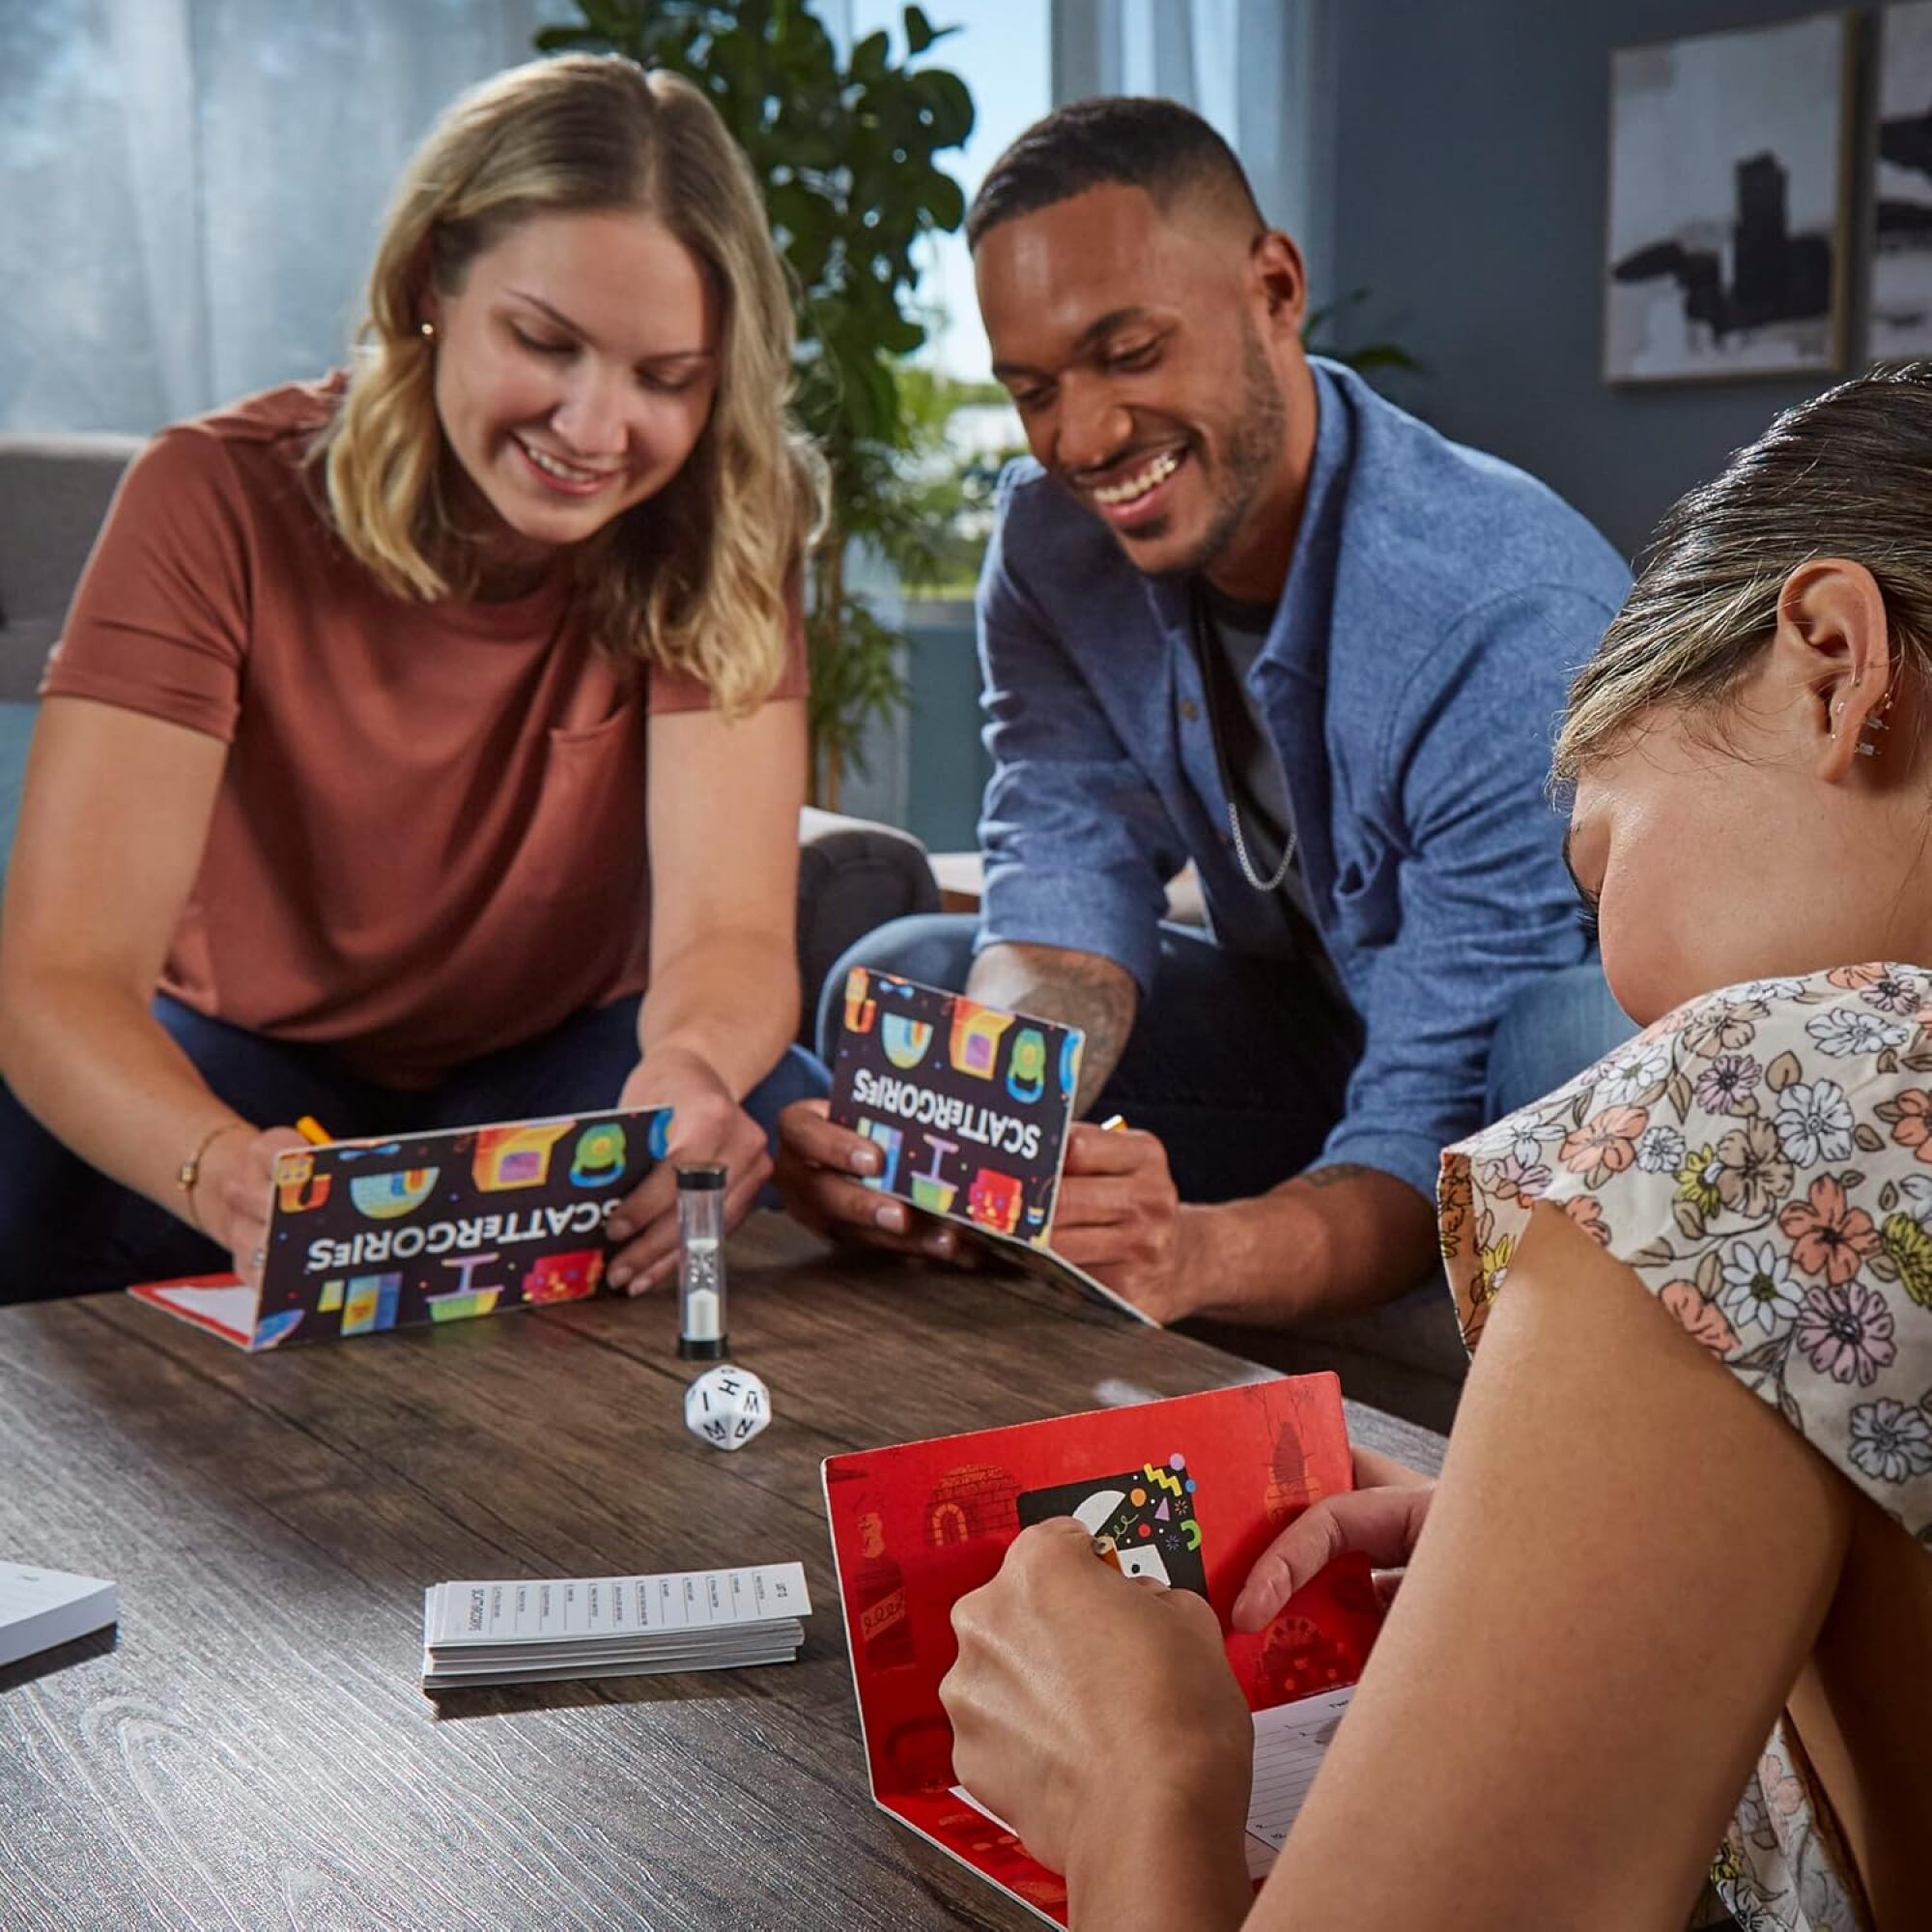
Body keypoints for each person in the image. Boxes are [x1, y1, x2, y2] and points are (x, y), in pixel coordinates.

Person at [937, 365, 1932, 1930]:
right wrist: (1584, 1534)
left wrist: (1140, 1781)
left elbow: (1448, 1093)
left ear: (1832, 666)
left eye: (1599, 866)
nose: (1615, 971)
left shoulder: (1759, 1109)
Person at [776, 98, 1633, 1327]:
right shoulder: (1047, 545)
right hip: (1304, 1027)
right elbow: (1064, 868)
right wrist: (978, 1132)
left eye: (1127, 354)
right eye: (1031, 389)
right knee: (903, 976)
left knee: (1559, 1032)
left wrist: (1194, 1256)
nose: (1080, 438)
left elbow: (1438, 1120)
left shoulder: (1495, 612)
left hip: (1520, 1085)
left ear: (1274, 287)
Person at [0, 55, 827, 1305]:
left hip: (553, 1072)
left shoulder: (721, 529)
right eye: (545, 342)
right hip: (238, 1068)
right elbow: (61, 979)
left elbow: (730, 937)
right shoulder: (208, 498)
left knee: (773, 1109)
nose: (596, 432)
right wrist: (218, 1168)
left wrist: (696, 1071)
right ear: (431, 282)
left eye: (668, 380)